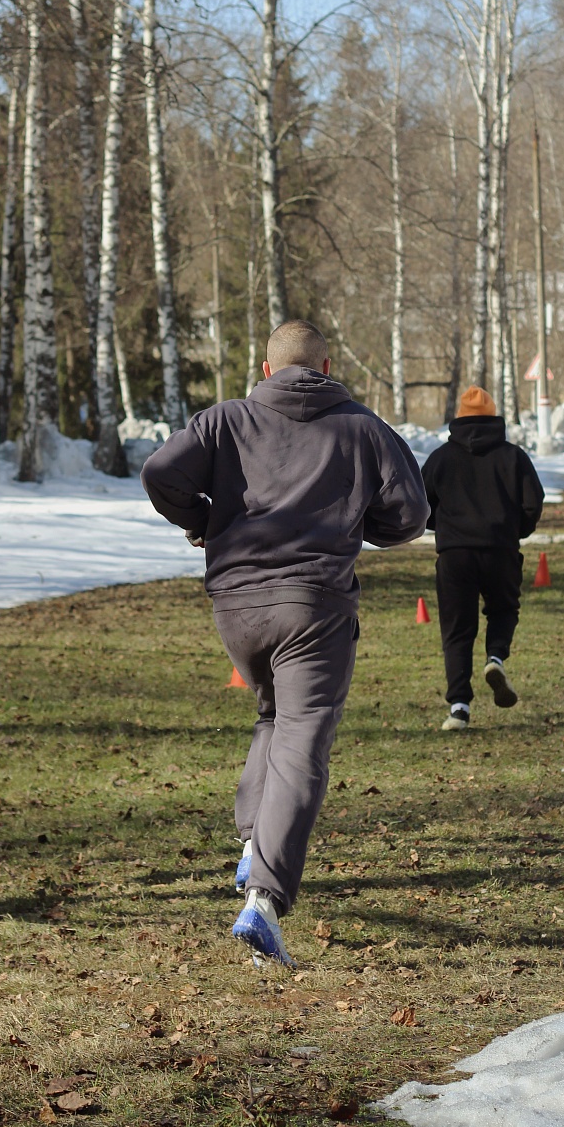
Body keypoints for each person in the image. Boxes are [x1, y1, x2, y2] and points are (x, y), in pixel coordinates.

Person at [140, 320, 429, 965]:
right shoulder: (361, 426)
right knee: (303, 737)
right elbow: (411, 510)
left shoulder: (223, 421)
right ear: (326, 365)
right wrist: (366, 526)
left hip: (236, 607)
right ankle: (264, 900)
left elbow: (161, 471)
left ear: (266, 369)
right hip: (314, 606)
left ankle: (253, 841)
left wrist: (204, 523)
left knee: (274, 715)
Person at [421, 386, 544, 733]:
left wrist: (442, 527)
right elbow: (533, 502)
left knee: (457, 630)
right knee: (504, 610)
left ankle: (459, 708)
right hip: (501, 550)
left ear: (458, 419)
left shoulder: (441, 458)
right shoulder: (513, 456)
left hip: (454, 555)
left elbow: (420, 503)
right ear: (494, 417)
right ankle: (495, 657)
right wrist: (513, 531)